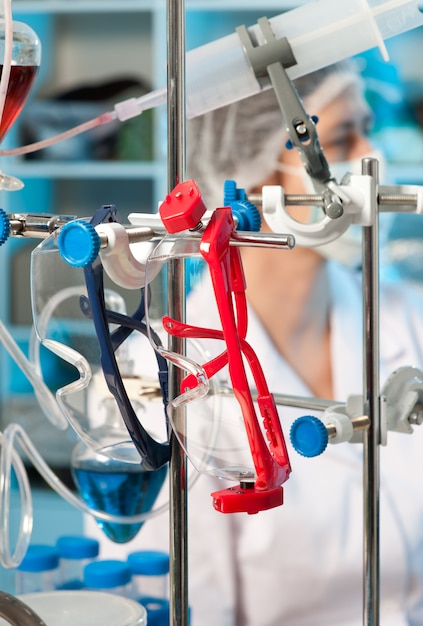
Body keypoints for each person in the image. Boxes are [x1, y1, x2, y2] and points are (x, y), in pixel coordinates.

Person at [85, 60, 423, 625]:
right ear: (260, 183)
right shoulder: (154, 377)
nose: (372, 157)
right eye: (341, 137)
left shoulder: (410, 318)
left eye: (368, 127)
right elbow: (163, 597)